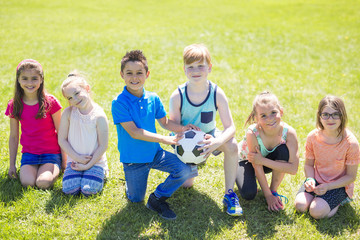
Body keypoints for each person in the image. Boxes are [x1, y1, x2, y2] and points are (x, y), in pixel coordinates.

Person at [111, 50, 195, 220]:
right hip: (134, 160)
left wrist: (183, 128)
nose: (134, 77)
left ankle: (157, 198)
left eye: (139, 73)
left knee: (185, 171)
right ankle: (131, 182)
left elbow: (165, 122)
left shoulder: (153, 98)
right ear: (122, 75)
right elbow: (135, 132)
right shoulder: (119, 102)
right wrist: (165, 139)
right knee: (136, 199)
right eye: (129, 73)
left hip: (155, 154)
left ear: (147, 74)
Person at [169, 44, 242, 216]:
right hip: (186, 142)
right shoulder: (178, 95)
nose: (195, 71)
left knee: (232, 146)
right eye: (190, 67)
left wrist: (216, 142)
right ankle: (192, 164)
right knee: (187, 185)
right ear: (184, 69)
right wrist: (184, 131)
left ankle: (229, 194)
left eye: (200, 66)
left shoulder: (216, 93)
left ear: (209, 67)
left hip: (210, 137)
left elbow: (231, 127)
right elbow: (172, 127)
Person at [294, 95, 360, 219]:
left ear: (342, 116)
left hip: (338, 185)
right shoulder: (313, 137)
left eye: (336, 114)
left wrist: (328, 186)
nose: (330, 119)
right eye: (326, 114)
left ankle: (341, 200)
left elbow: (351, 177)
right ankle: (317, 198)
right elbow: (308, 164)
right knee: (300, 206)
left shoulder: (351, 143)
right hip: (317, 180)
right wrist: (310, 179)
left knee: (316, 212)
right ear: (319, 116)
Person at [5, 59, 65, 189]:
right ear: (18, 80)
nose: (30, 83)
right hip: (29, 155)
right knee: (28, 183)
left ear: (41, 79)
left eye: (34, 78)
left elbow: (61, 132)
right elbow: (14, 137)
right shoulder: (14, 105)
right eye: (25, 78)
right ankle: (35, 170)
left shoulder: (51, 102)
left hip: (51, 154)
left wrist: (65, 162)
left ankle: (54, 168)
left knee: (42, 182)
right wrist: (12, 165)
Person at [236, 91, 299, 211]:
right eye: (263, 115)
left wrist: (262, 160)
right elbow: (256, 164)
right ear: (256, 118)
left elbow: (293, 169)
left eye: (273, 113)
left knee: (283, 150)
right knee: (248, 194)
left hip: (263, 160)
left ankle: (273, 190)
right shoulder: (253, 132)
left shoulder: (289, 133)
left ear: (281, 111)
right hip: (245, 161)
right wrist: (267, 196)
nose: (269, 119)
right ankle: (246, 176)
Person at [58, 71, 109, 196]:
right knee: (70, 190)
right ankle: (81, 172)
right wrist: (76, 157)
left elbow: (103, 145)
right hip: (74, 160)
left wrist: (88, 165)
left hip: (95, 161)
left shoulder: (99, 115)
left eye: (77, 93)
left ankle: (102, 171)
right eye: (70, 98)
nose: (75, 99)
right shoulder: (68, 113)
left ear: (87, 89)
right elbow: (62, 140)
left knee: (88, 190)